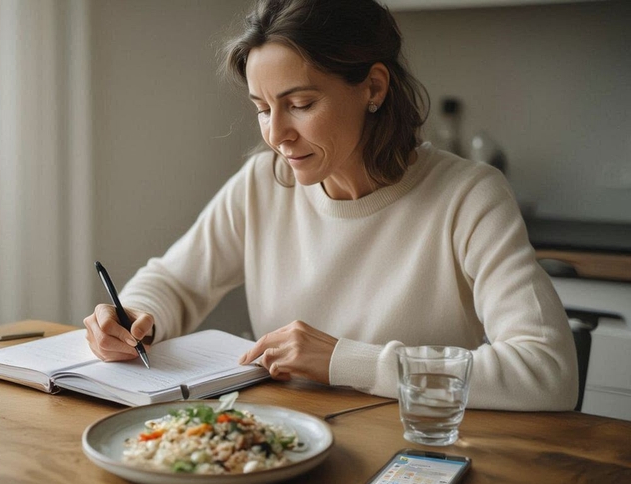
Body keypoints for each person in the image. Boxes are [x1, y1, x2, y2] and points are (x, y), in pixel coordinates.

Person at [83, 0, 578, 411]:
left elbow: (547, 371)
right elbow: (175, 281)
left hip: (415, 457)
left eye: (300, 104)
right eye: (262, 108)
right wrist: (133, 315)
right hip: (285, 454)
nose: (277, 135)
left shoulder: (469, 197)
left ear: (374, 88)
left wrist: (344, 360)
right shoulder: (262, 184)